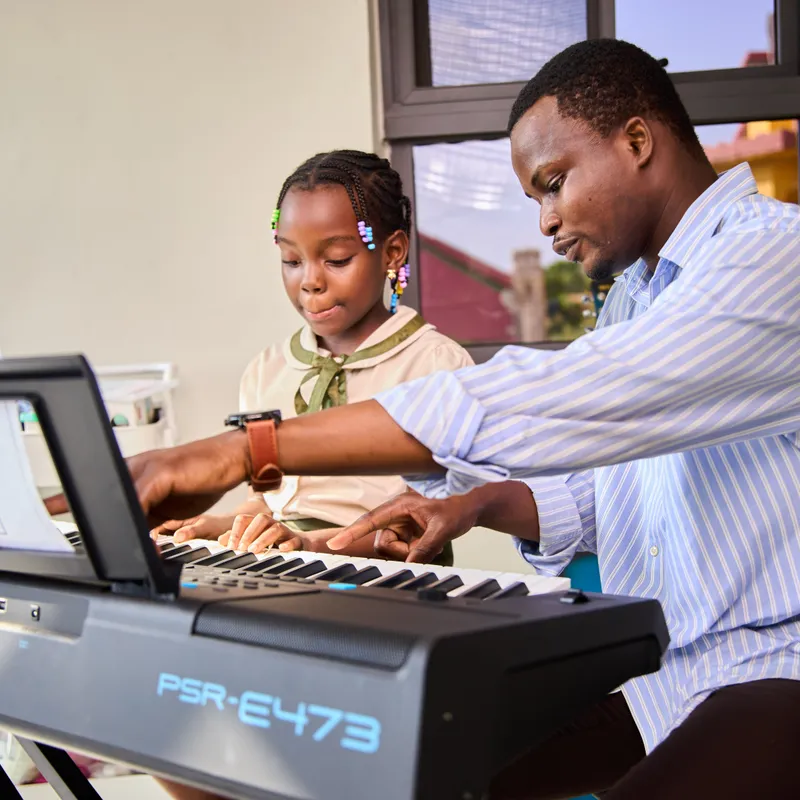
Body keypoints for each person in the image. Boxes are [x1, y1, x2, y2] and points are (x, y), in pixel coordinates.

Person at [62, 40, 800, 799]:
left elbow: (569, 394)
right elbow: (597, 497)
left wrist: (248, 449)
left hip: (774, 670)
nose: (545, 222)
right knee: (398, 779)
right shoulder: (639, 299)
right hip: (662, 676)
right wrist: (473, 505)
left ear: (638, 141)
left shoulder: (773, 259)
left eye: (553, 184)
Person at [150, 150, 471, 562]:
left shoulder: (437, 366)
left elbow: (418, 524)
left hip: (393, 584)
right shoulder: (267, 370)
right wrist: (219, 526)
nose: (311, 282)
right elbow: (269, 502)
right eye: (292, 260)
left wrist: (308, 545)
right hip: (287, 564)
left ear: (392, 252)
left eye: (336, 260)